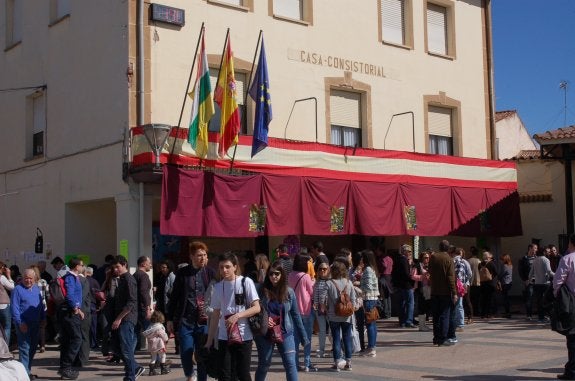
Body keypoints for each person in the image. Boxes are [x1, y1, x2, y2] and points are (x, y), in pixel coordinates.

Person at [205, 251, 261, 381]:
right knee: (225, 375)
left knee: (243, 374)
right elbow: (215, 315)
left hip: (244, 335)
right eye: (221, 267)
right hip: (225, 337)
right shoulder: (218, 287)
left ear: (235, 267)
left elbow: (256, 307)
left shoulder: (246, 282)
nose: (224, 270)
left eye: (227, 266)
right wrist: (209, 341)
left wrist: (237, 316)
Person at [167, 241, 217, 381]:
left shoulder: (210, 272)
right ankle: (190, 374)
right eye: (199, 255)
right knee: (186, 351)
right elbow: (175, 297)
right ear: (191, 256)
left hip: (204, 320)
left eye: (205, 255)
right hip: (186, 320)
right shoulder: (183, 273)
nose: (203, 258)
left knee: (202, 353)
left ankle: (202, 378)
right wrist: (169, 318)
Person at [254, 261, 308, 381]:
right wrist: (263, 319)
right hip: (265, 334)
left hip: (285, 332)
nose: (274, 276)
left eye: (277, 274)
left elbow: (296, 315)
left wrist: (304, 337)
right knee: (264, 364)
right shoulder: (260, 290)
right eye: (271, 274)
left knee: (290, 363)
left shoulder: (289, 292)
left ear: (282, 275)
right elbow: (252, 309)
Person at [111, 255, 145, 381]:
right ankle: (135, 367)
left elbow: (131, 302)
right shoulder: (121, 279)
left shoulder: (129, 279)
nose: (115, 269)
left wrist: (119, 318)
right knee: (117, 348)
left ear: (124, 265)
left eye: (117, 267)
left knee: (126, 348)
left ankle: (131, 375)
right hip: (122, 318)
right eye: (114, 267)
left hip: (127, 318)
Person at [11, 267, 45, 379]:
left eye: (30, 278)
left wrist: (43, 318)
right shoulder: (17, 289)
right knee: (24, 348)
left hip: (35, 323)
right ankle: (24, 375)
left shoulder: (35, 288)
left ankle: (27, 370)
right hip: (23, 323)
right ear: (22, 279)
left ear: (34, 279)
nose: (28, 280)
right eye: (26, 278)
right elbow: (14, 308)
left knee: (33, 348)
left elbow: (40, 305)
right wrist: (20, 323)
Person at [326, 260, 356, 371]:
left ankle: (337, 363)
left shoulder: (329, 283)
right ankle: (348, 363)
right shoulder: (349, 283)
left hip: (333, 315)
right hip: (347, 315)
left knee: (336, 339)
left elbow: (325, 300)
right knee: (347, 338)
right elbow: (353, 299)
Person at [288, 254, 316, 372]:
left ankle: (295, 362)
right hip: (306, 309)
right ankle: (307, 363)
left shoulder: (290, 275)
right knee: (307, 337)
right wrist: (313, 281)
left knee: (295, 339)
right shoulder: (305, 276)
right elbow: (311, 292)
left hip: (293, 311)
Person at [58, 258, 85, 380]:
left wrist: (78, 308)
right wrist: (75, 307)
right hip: (69, 313)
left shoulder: (75, 277)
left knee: (68, 340)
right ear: (76, 266)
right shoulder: (70, 277)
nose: (83, 267)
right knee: (77, 339)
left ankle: (64, 368)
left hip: (72, 311)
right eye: (82, 265)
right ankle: (66, 366)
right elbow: (70, 294)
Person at [553, 234, 575, 380]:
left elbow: (558, 281)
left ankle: (572, 371)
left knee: (573, 337)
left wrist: (556, 295)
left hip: (572, 302)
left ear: (571, 243)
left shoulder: (567, 259)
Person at [428, 240, 457, 347]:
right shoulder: (448, 259)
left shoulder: (433, 257)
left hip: (434, 290)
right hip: (445, 292)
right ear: (448, 248)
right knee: (445, 315)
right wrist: (454, 292)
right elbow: (450, 278)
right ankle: (443, 338)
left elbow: (429, 271)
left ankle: (436, 337)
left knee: (436, 316)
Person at [360, 249, 379, 357]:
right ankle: (372, 346)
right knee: (372, 323)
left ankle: (371, 347)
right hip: (372, 298)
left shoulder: (367, 269)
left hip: (368, 298)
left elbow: (367, 286)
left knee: (370, 323)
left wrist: (358, 285)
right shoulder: (372, 268)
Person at [394, 244, 416, 328]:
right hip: (406, 285)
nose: (410, 253)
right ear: (405, 252)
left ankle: (402, 321)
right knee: (410, 303)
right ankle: (409, 321)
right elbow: (406, 274)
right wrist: (412, 281)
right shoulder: (404, 260)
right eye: (409, 251)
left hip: (399, 285)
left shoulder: (397, 259)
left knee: (402, 303)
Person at [133, 256, 153, 350]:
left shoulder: (135, 275)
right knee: (151, 332)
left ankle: (129, 356)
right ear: (143, 264)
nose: (150, 265)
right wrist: (148, 307)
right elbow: (143, 292)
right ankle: (157, 358)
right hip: (142, 308)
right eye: (149, 263)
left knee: (135, 333)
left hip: (135, 308)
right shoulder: (144, 275)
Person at [530, 248, 554, 323]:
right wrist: (557, 275)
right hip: (545, 283)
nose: (548, 253)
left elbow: (531, 272)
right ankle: (550, 316)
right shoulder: (546, 260)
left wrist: (530, 279)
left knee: (539, 301)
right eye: (547, 252)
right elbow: (549, 271)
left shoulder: (535, 260)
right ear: (544, 252)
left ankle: (541, 317)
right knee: (549, 300)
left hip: (537, 284)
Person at [143, 310, 170, 375]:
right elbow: (163, 335)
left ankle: (151, 371)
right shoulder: (159, 327)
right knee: (163, 356)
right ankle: (163, 369)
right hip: (159, 345)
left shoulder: (150, 327)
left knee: (153, 358)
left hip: (152, 345)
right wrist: (166, 339)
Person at [313, 259, 331, 358]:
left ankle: (336, 348)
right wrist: (315, 305)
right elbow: (315, 295)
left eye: (325, 269)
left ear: (328, 270)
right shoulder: (317, 282)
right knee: (322, 330)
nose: (322, 271)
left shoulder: (331, 281)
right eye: (320, 269)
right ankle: (322, 349)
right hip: (319, 309)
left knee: (332, 330)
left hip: (329, 309)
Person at [411, 250, 431, 331]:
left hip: (429, 288)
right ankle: (421, 326)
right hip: (421, 288)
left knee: (426, 306)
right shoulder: (418, 266)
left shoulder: (429, 266)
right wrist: (422, 277)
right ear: (422, 258)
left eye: (428, 257)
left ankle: (424, 324)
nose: (427, 259)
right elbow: (412, 276)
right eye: (426, 257)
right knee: (422, 306)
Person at [350, 252, 365, 352]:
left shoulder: (365, 270)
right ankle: (354, 344)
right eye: (361, 259)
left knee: (360, 322)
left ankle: (362, 344)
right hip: (353, 298)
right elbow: (349, 281)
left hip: (362, 298)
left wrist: (358, 282)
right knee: (353, 323)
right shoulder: (351, 270)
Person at [518, 243, 537, 320]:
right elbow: (520, 271)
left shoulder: (537, 258)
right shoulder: (524, 259)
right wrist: (525, 279)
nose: (536, 250)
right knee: (529, 298)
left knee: (540, 298)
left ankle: (542, 314)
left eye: (536, 248)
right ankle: (529, 315)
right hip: (529, 282)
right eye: (535, 248)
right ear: (530, 248)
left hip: (538, 281)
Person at [479, 252, 498, 319]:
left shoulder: (480, 264)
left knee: (483, 299)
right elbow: (496, 272)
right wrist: (491, 277)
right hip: (490, 283)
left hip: (482, 283)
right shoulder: (491, 263)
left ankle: (483, 314)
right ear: (489, 257)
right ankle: (489, 314)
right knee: (490, 299)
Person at [375, 245, 393, 319]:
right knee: (388, 296)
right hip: (389, 277)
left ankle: (385, 312)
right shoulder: (389, 258)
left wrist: (379, 271)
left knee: (384, 295)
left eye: (377, 251)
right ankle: (389, 312)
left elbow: (384, 265)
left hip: (384, 276)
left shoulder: (382, 258)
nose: (376, 252)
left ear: (380, 251)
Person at [0, 261, 14, 344]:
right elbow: (12, 287)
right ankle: (4, 349)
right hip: (3, 305)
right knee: (6, 327)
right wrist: (9, 276)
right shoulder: (1, 277)